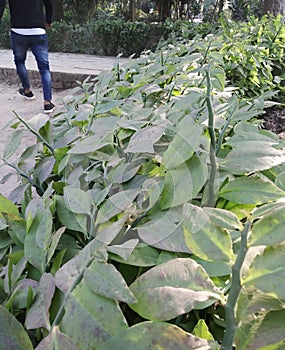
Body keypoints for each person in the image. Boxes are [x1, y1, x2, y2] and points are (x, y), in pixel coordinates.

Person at [0, 0, 55, 113]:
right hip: (38, 30)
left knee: (20, 62)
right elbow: (49, 3)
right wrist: (48, 20)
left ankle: (27, 90)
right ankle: (47, 102)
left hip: (18, 30)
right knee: (44, 68)